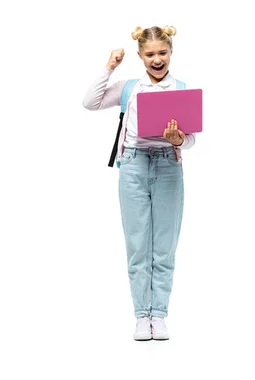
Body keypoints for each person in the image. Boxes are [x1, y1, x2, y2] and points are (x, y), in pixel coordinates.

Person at [82, 25, 195, 341]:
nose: (157, 59)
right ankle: (140, 315)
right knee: (137, 245)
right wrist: (109, 67)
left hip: (168, 167)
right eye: (150, 54)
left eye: (162, 52)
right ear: (140, 56)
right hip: (133, 167)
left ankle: (159, 315)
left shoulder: (181, 89)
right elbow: (90, 102)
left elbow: (191, 140)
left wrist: (179, 139)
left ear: (171, 52)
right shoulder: (129, 87)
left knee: (165, 245)